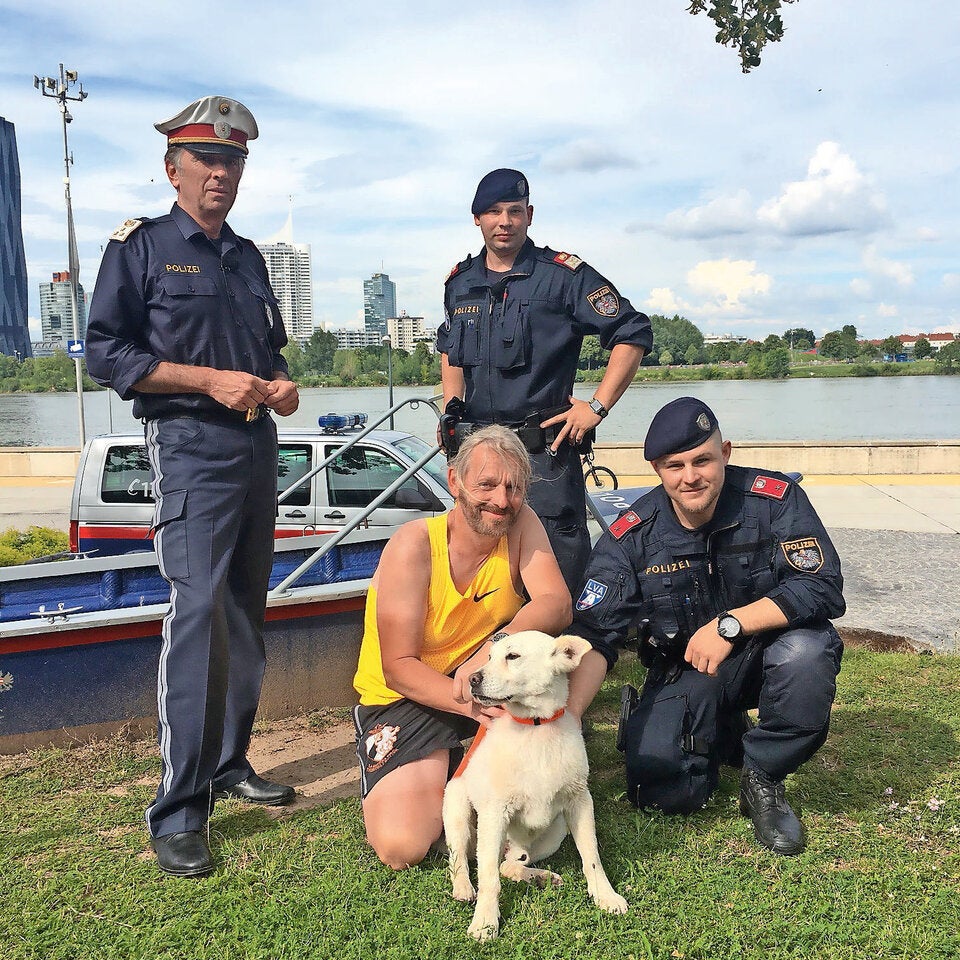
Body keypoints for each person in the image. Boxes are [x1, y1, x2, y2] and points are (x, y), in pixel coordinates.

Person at [85, 96, 300, 877]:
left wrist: (282, 386)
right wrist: (208, 380)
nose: (221, 172)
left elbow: (270, 354)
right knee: (200, 613)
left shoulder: (247, 257)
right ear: (173, 169)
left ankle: (229, 763)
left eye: (233, 160)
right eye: (207, 159)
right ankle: (178, 810)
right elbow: (105, 354)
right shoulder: (140, 248)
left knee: (244, 609)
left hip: (256, 446)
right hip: (188, 447)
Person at [569, 397, 845, 855]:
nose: (690, 476)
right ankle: (715, 726)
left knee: (807, 652)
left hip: (765, 657)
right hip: (688, 669)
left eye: (702, 460)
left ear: (726, 453)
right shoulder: (633, 535)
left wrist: (730, 625)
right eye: (674, 466)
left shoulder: (774, 501)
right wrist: (566, 719)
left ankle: (764, 775)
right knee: (661, 789)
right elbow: (595, 634)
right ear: (657, 469)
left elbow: (822, 587)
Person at [352, 425, 593, 870]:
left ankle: (467, 762)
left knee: (568, 674)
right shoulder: (415, 545)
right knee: (402, 846)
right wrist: (469, 703)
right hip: (407, 696)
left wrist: (488, 653)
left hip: (484, 679)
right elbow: (398, 667)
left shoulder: (521, 524)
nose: (501, 500)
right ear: (454, 481)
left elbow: (557, 603)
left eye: (514, 487)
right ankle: (443, 761)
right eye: (486, 485)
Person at [436, 168, 653, 598]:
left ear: (529, 215)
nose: (504, 221)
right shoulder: (460, 282)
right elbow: (449, 350)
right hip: (480, 458)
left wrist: (596, 407)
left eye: (514, 211)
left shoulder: (563, 277)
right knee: (483, 574)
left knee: (558, 578)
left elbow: (632, 332)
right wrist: (450, 410)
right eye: (493, 212)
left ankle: (568, 639)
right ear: (476, 218)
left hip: (544, 458)